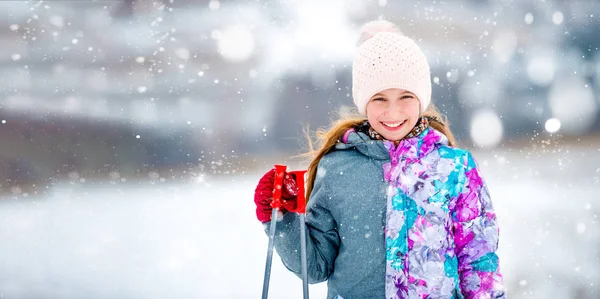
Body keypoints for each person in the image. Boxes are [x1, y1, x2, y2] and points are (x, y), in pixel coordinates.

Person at [253, 20, 506, 299]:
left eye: (406, 96)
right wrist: (282, 219)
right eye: (380, 99)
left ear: (421, 98)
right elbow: (315, 266)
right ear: (364, 102)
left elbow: (478, 261)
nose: (393, 111)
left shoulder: (454, 168)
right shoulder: (338, 167)